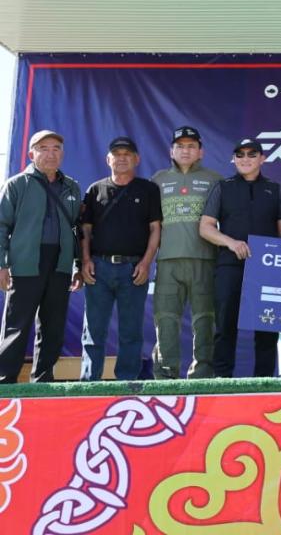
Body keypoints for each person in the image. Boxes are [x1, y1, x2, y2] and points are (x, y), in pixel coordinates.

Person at [199, 139, 281, 377]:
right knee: (225, 325)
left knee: (267, 328)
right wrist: (231, 242)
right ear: (233, 159)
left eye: (252, 154)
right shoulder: (223, 187)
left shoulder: (275, 189)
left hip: (266, 268)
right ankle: (221, 381)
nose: (245, 158)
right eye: (239, 154)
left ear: (262, 158)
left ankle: (264, 381)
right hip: (230, 265)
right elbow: (205, 227)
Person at [0, 130, 82, 384]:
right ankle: (5, 381)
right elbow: (2, 225)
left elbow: (78, 229)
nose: (50, 154)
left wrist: (78, 264)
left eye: (56, 148)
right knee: (17, 324)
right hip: (25, 262)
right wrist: (2, 264)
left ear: (62, 154)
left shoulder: (71, 186)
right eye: (43, 148)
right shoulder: (16, 184)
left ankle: (43, 379)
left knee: (53, 325)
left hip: (60, 263)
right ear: (31, 154)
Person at [79, 137, 162, 381]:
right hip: (99, 268)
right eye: (117, 154)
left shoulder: (148, 189)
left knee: (131, 332)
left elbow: (155, 229)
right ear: (108, 159)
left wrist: (146, 263)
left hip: (133, 268)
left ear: (137, 159)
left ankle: (127, 384)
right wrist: (85, 261)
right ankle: (89, 383)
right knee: (93, 330)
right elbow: (85, 230)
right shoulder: (95, 190)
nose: (122, 158)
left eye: (127, 154)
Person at [151, 125, 223, 379]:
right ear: (171, 151)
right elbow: (150, 224)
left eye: (191, 146)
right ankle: (165, 376)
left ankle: (202, 375)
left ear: (201, 152)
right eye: (180, 146)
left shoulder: (214, 180)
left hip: (205, 260)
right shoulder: (158, 180)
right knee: (165, 319)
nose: (185, 150)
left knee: (205, 319)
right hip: (167, 261)